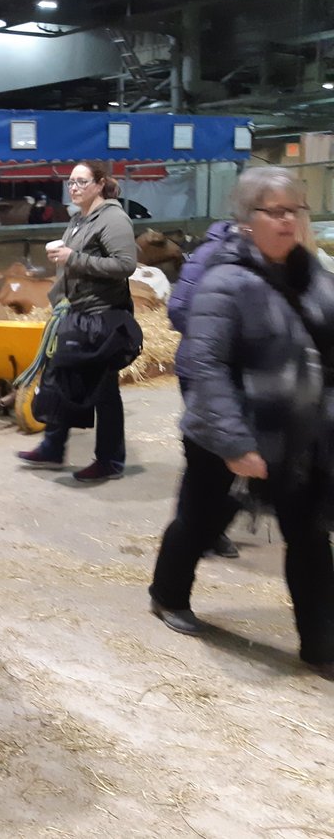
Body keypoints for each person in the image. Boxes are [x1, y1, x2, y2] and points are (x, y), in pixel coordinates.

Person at [148, 167, 334, 680]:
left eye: (294, 210)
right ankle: (166, 594)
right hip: (227, 437)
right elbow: (205, 366)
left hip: (298, 437)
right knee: (202, 521)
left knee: (311, 535)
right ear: (247, 220)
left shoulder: (315, 277)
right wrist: (233, 440)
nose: (287, 221)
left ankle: (321, 645)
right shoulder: (224, 281)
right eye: (274, 211)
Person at [17, 161, 139, 483]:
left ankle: (111, 460)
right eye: (70, 182)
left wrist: (74, 259)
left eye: (82, 182)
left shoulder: (113, 219)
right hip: (76, 313)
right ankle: (53, 446)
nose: (74, 188)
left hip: (103, 316)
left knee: (103, 388)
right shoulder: (77, 219)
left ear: (99, 184)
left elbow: (126, 264)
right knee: (62, 376)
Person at [166, 219, 242, 559]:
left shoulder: (275, 258)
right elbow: (179, 309)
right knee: (205, 458)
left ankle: (211, 529)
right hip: (204, 370)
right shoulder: (210, 254)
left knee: (230, 461)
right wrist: (213, 340)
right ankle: (192, 535)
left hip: (244, 375)